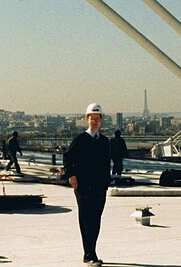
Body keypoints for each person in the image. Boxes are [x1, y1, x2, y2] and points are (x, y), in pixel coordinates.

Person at [64, 103, 110, 266]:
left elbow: (106, 164)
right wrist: (72, 175)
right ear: (87, 119)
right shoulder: (80, 140)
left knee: (96, 220)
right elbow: (68, 159)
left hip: (99, 187)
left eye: (97, 119)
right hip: (84, 187)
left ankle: (92, 252)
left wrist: (106, 182)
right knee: (86, 219)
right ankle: (88, 254)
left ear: (101, 120)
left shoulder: (104, 142)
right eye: (92, 119)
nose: (95, 122)